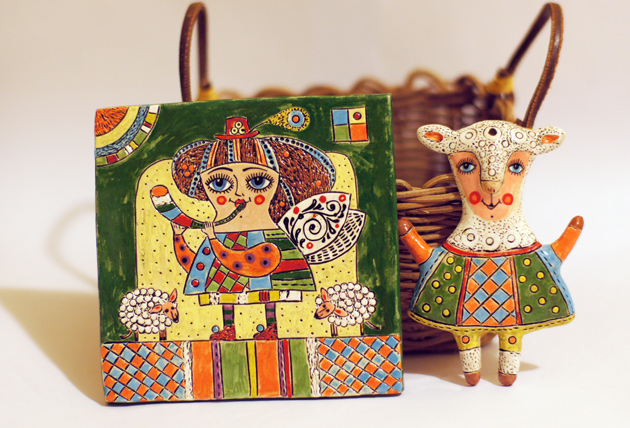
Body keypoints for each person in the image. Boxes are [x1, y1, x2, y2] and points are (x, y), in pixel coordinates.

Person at [170, 117, 335, 340]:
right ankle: (229, 328)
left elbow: (239, 262)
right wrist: (178, 236)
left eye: (257, 181)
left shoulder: (269, 239)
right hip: (220, 237)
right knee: (225, 294)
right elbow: (196, 266)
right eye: (220, 183)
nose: (239, 194)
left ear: (278, 183)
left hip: (248, 236)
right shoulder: (214, 235)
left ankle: (272, 326)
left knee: (269, 292)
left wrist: (214, 241)